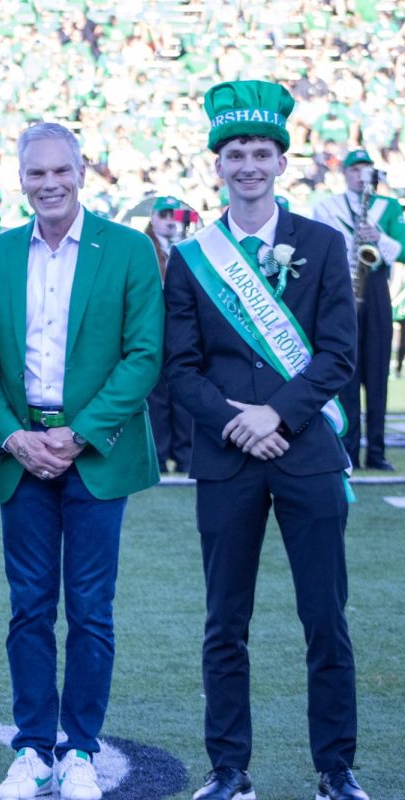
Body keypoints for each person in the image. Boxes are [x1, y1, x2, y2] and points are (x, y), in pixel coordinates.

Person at [163, 81, 368, 800]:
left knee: (325, 619)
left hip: (305, 453)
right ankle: (229, 771)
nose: (248, 164)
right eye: (235, 153)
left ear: (282, 162)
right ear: (218, 165)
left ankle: (335, 769)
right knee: (225, 623)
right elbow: (180, 369)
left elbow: (338, 357)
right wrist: (234, 421)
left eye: (261, 152)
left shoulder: (322, 242)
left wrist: (275, 416)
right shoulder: (192, 259)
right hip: (226, 459)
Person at [0, 122, 163, 800]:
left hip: (95, 454)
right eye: (36, 173)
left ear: (83, 172)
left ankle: (79, 747)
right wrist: (15, 437)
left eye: (61, 171)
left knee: (90, 610)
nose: (49, 184)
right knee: (27, 609)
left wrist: (77, 436)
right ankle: (31, 748)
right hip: (23, 453)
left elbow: (143, 356)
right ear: (19, 176)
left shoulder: (131, 249)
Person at [312, 148, 405, 471]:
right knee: (346, 372)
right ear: (346, 173)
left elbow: (402, 249)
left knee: (377, 372)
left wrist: (378, 237)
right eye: (354, 169)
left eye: (365, 169)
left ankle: (376, 452)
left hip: (376, 287)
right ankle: (348, 449)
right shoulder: (327, 206)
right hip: (343, 287)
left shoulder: (389, 207)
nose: (359, 174)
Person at [144, 195, 193, 473]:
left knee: (184, 391)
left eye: (175, 216)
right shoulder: (145, 247)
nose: (171, 221)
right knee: (158, 396)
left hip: (181, 328)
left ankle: (184, 452)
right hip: (155, 327)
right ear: (153, 217)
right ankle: (161, 454)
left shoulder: (186, 246)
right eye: (165, 215)